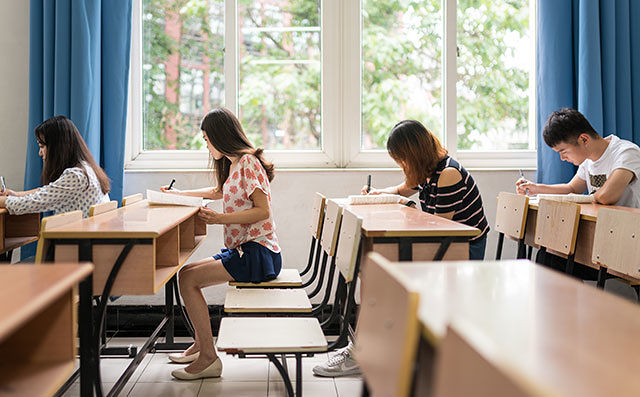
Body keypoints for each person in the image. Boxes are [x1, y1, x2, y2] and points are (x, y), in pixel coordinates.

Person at [313, 119, 490, 378]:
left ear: (413, 154)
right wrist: (378, 194)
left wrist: (406, 208)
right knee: (373, 268)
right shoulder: (430, 170)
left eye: (402, 159)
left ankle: (364, 350)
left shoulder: (449, 174)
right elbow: (402, 189)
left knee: (379, 273)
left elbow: (440, 228)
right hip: (441, 245)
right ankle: (367, 348)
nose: (401, 166)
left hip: (462, 250)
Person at [164, 107, 281, 380]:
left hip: (258, 254)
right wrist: (181, 194)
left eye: (206, 138)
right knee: (186, 274)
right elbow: (218, 191)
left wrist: (219, 219)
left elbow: (263, 211)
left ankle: (208, 357)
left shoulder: (248, 162)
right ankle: (202, 344)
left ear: (219, 135)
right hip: (247, 250)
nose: (205, 144)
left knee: (189, 280)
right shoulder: (235, 164)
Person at [517, 107, 640, 207]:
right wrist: (536, 188)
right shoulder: (588, 159)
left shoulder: (626, 152)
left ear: (584, 139)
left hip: (628, 228)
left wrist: (584, 198)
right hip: (605, 224)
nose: (562, 158)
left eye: (563, 151)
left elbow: (606, 196)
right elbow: (572, 188)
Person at [0, 115, 110, 217]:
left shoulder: (76, 176)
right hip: (89, 235)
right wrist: (15, 194)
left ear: (58, 148)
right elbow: (48, 191)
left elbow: (33, 203)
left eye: (42, 146)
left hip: (79, 237)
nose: (40, 153)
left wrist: (3, 201)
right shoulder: (86, 169)